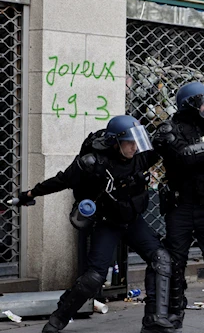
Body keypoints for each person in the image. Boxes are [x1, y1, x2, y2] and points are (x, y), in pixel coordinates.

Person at [14, 115, 173, 333]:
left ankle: (155, 319)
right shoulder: (94, 164)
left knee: (161, 259)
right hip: (107, 223)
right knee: (94, 277)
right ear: (115, 142)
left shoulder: (140, 156)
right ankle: (58, 320)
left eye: (136, 141)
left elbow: (169, 150)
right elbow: (61, 181)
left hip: (134, 221)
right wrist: (30, 194)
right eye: (129, 142)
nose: (134, 147)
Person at [153, 82, 204, 333]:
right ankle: (175, 312)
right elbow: (184, 155)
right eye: (203, 103)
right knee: (175, 261)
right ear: (190, 105)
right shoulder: (170, 128)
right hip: (181, 204)